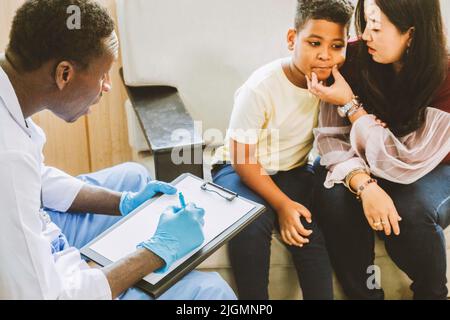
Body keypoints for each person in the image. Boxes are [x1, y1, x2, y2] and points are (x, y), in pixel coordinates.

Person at [0, 0, 236, 300]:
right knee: (211, 292)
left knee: (133, 177)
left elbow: (36, 178)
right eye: (103, 75)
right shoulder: (8, 159)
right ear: (64, 74)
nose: (107, 86)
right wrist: (154, 252)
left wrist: (123, 202)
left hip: (43, 230)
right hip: (50, 282)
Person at [211, 0, 355, 300]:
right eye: (314, 43)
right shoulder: (260, 88)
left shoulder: (335, 84)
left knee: (307, 229)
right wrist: (281, 204)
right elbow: (242, 158)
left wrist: (347, 100)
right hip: (239, 167)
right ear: (292, 39)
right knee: (252, 223)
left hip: (292, 169)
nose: (325, 55)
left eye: (336, 46)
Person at [308, 0, 450, 299]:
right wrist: (364, 186)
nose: (365, 36)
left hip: (432, 166)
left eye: (375, 26)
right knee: (331, 194)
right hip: (372, 163)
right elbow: (332, 140)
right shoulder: (355, 57)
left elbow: (403, 162)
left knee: (410, 209)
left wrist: (353, 108)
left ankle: (432, 293)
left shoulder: (445, 76)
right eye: (365, 23)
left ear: (411, 33)